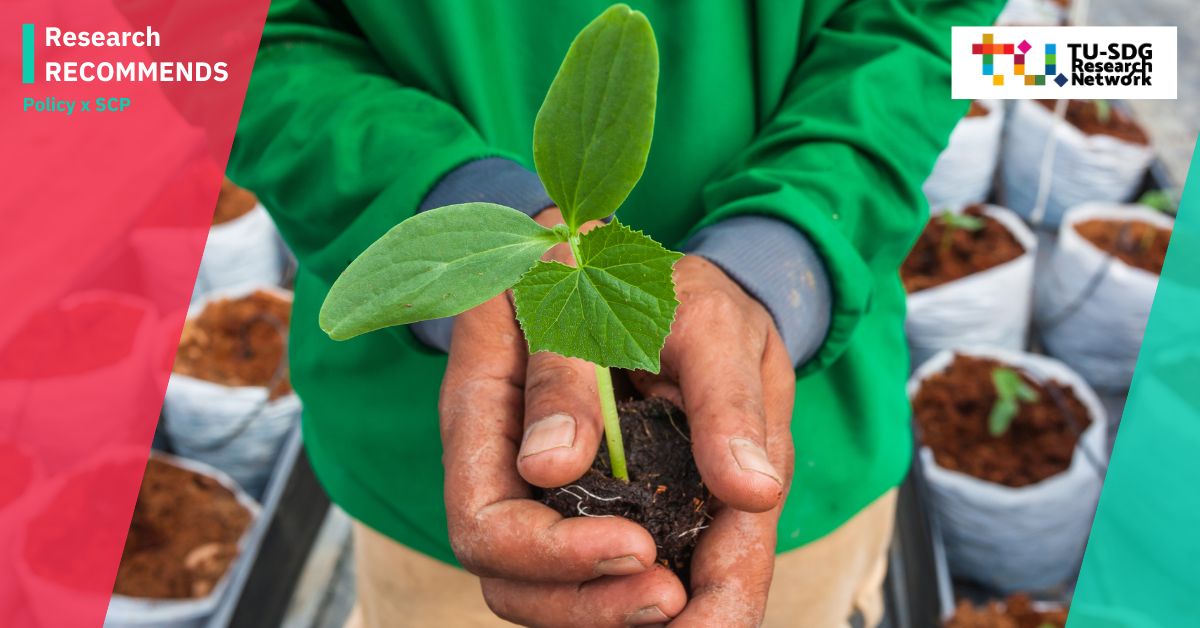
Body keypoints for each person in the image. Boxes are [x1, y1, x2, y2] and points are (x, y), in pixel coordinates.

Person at [228, 1, 1003, 626]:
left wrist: (790, 251)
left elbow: (937, 28)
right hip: (443, 491)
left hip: (803, 446)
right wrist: (458, 221)